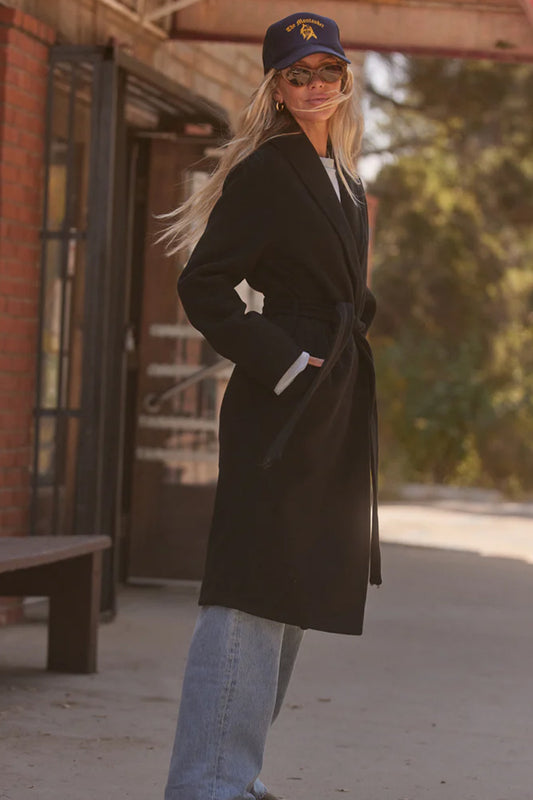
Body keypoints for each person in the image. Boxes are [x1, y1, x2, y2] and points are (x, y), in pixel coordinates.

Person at [161, 11, 382, 800]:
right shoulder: (266, 170)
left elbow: (340, 290)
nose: (314, 85)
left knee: (291, 588)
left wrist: (345, 334)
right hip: (280, 400)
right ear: (276, 88)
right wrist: (286, 361)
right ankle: (207, 782)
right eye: (297, 74)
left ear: (346, 79)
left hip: (328, 399)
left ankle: (235, 773)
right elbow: (204, 285)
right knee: (251, 587)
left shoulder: (345, 180)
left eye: (328, 71)